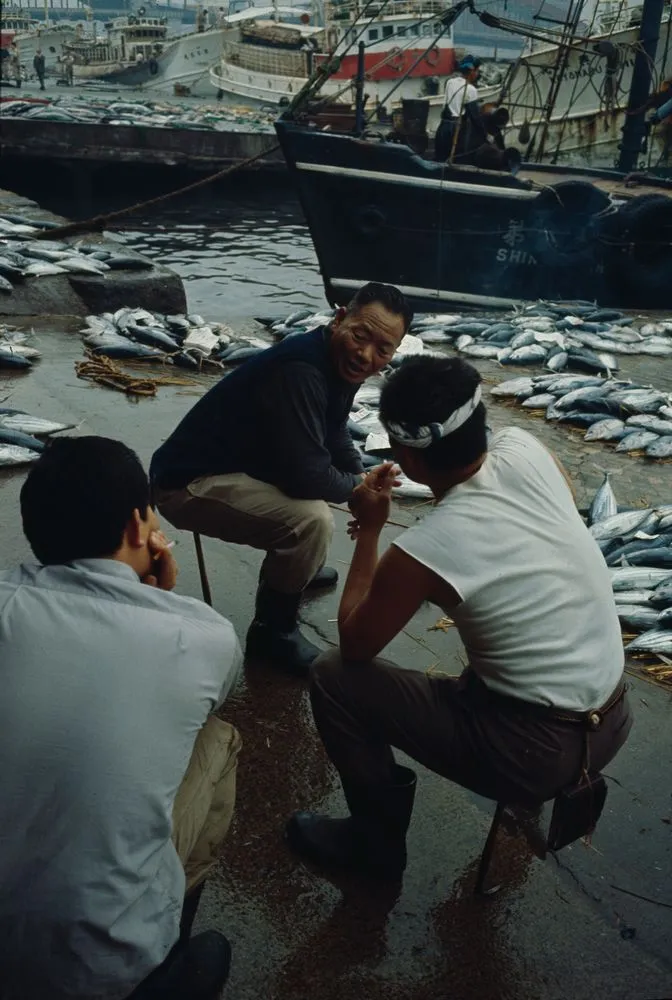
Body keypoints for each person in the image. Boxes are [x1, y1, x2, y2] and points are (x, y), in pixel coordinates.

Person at [286, 356, 632, 878]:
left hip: (535, 751)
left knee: (334, 679)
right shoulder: (527, 448)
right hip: (614, 716)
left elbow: (354, 643)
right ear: (480, 421)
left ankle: (372, 847)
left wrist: (372, 528)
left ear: (405, 456)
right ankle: (524, 797)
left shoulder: (428, 547)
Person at [0, 437, 242, 1000]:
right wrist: (162, 600)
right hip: (94, 969)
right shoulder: (205, 636)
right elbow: (207, 699)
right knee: (219, 739)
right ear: (139, 528)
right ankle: (166, 952)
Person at [151, 283, 411, 677]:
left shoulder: (337, 358)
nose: (366, 354)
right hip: (186, 483)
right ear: (339, 318)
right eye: (360, 336)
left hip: (237, 466)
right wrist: (357, 494)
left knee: (325, 487)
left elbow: (335, 427)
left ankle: (292, 574)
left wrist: (357, 474)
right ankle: (273, 631)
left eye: (383, 349)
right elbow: (305, 474)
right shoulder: (302, 370)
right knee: (310, 520)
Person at [435, 54, 483, 162]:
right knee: (455, 162)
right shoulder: (470, 89)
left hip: (443, 127)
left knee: (440, 160)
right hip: (456, 132)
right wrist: (486, 136)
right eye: (477, 71)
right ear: (471, 71)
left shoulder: (449, 82)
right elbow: (475, 117)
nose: (477, 74)